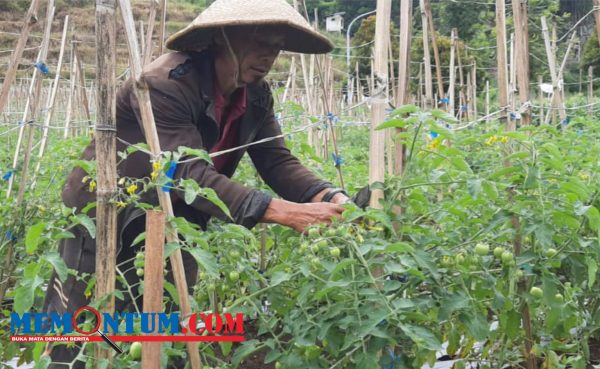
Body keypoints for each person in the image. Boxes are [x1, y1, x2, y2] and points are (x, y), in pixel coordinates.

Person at [43, 0, 350, 367]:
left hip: (177, 220)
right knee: (82, 327)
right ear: (223, 36)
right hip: (110, 214)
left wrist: (331, 197)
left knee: (166, 328)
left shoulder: (254, 94)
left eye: (276, 46)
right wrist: (283, 212)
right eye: (259, 42)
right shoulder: (164, 84)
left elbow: (275, 160)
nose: (269, 56)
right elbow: (183, 171)